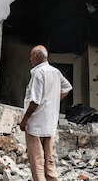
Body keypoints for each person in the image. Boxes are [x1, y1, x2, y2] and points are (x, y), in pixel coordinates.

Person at [19, 45, 73, 181]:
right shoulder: (55, 72)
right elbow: (67, 88)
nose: (30, 59)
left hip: (36, 124)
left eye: (32, 56)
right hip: (49, 124)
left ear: (38, 56)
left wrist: (25, 119)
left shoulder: (38, 73)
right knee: (49, 160)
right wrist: (53, 100)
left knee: (37, 162)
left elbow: (35, 101)